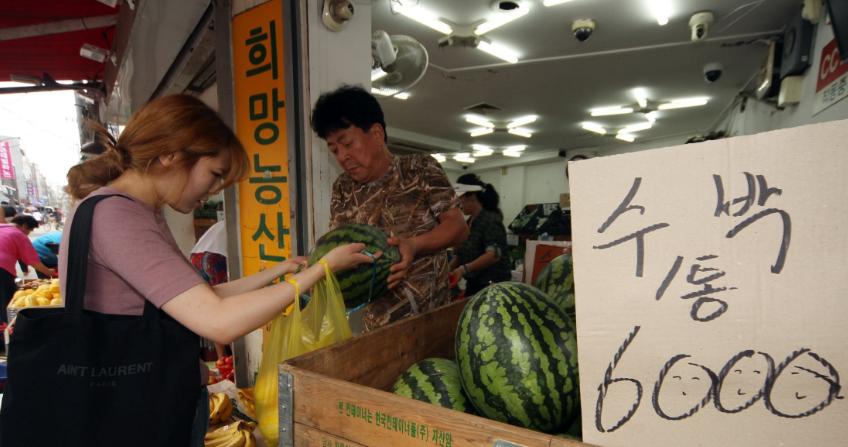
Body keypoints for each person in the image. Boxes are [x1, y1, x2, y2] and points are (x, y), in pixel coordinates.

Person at [55, 94, 374, 445]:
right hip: (132, 411)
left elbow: (200, 298)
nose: (211, 191)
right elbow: (218, 322)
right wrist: (319, 270)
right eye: (214, 174)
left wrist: (282, 270)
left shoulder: (140, 211)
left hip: (148, 401)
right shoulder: (117, 216)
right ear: (170, 155)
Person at [311, 85, 468, 331]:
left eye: (347, 143)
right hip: (376, 327)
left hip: (432, 322)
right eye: (334, 150)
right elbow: (344, 252)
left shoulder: (420, 169)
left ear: (376, 134)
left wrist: (414, 245)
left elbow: (458, 228)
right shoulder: (342, 187)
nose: (342, 156)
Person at [450, 174, 511, 296]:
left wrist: (463, 269)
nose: (458, 203)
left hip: (493, 287)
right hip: (474, 284)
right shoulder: (469, 222)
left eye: (460, 198)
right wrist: (448, 270)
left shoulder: (490, 220)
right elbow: (461, 253)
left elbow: (493, 255)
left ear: (471, 196)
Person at [0, 215, 58, 323]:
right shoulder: (18, 234)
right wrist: (49, 272)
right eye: (30, 230)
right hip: (2, 269)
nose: (28, 233)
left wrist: (25, 269)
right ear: (24, 226)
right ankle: (8, 328)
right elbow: (33, 261)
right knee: (7, 300)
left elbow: (21, 256)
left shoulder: (2, 228)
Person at [190, 219, 230, 359]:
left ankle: (221, 358)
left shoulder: (223, 223)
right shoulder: (242, 220)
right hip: (214, 258)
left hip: (196, 257)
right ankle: (226, 357)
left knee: (213, 305)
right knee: (223, 304)